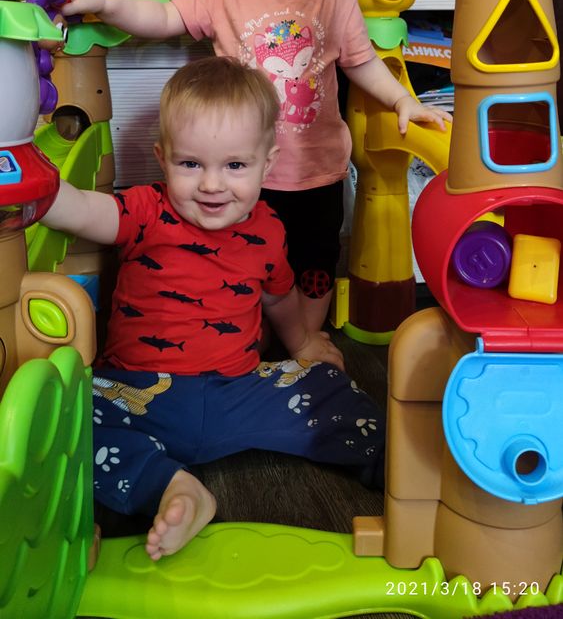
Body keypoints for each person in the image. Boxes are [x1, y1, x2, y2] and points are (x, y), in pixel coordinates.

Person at [61, 0, 451, 333]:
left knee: (314, 263)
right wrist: (106, 2)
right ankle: (251, 338)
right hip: (238, 176)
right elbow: (162, 17)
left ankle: (305, 341)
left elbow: (361, 61)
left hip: (315, 172)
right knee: (242, 264)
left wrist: (402, 99)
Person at [41, 56, 386, 561]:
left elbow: (278, 297)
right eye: (191, 164)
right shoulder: (145, 209)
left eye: (235, 166)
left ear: (267, 164)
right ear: (163, 159)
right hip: (138, 393)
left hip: (239, 391)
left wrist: (303, 342)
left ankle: (408, 472)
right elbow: (80, 210)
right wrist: (33, 183)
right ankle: (172, 487)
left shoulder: (269, 229)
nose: (211, 184)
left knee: (329, 388)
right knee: (62, 418)